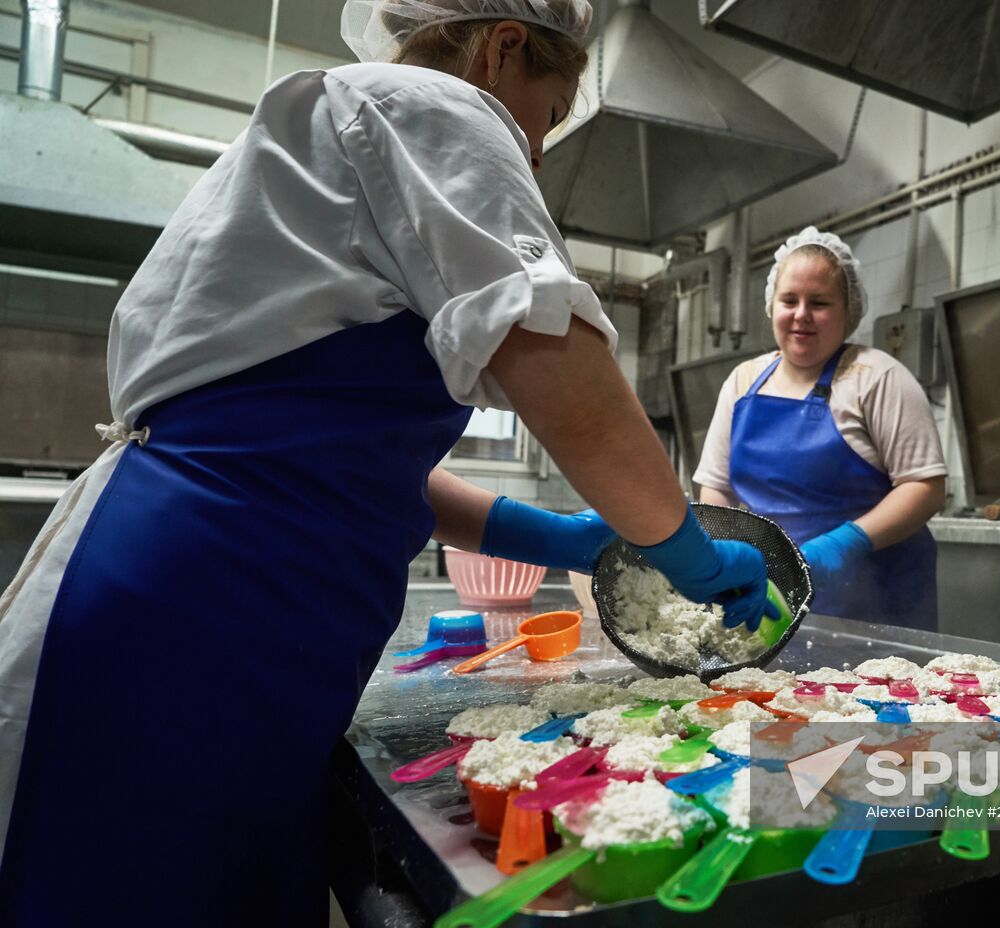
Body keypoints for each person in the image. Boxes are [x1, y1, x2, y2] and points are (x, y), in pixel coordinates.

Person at [0, 2, 773, 925]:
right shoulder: (433, 106)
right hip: (206, 616)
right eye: (551, 113)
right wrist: (683, 548)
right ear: (504, 45)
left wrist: (556, 534)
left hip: (195, 585)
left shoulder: (348, 132)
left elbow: (324, 458)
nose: (535, 154)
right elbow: (560, 365)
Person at [694, 226, 947, 628]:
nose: (801, 315)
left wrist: (845, 544)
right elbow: (716, 487)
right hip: (771, 599)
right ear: (771, 306)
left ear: (849, 311)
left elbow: (925, 487)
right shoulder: (744, 380)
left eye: (820, 302)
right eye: (789, 300)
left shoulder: (876, 376)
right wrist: (729, 558)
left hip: (878, 609)